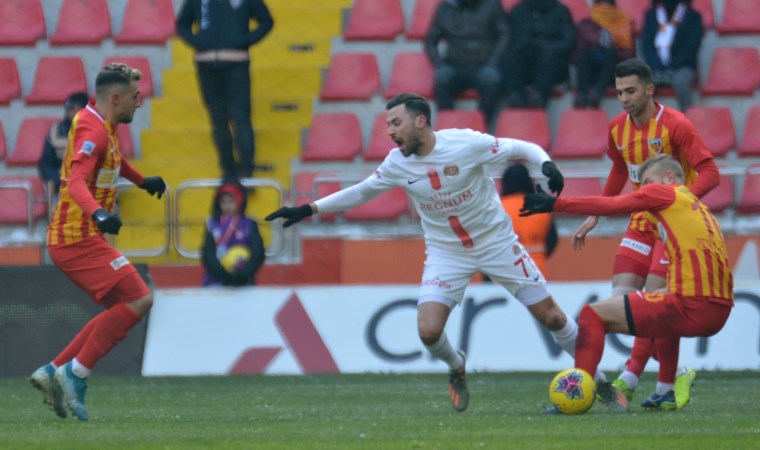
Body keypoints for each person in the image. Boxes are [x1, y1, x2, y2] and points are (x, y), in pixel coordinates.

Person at [267, 93, 585, 414]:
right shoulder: (396, 163)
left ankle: (597, 381)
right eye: (387, 124)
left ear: (420, 121)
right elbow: (362, 191)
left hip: (497, 243)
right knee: (429, 332)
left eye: (396, 122)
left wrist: (546, 164)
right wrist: (309, 208)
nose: (390, 131)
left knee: (554, 317)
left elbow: (520, 148)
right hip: (446, 253)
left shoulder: (465, 144)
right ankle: (456, 364)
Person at [522, 154, 733, 413]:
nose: (644, 190)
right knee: (661, 305)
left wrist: (556, 204)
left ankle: (576, 397)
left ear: (669, 178)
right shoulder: (700, 210)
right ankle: (665, 390)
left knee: (592, 315)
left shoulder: (666, 194)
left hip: (691, 303)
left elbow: (615, 204)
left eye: (647, 183)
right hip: (719, 309)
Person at [571, 58, 719, 410]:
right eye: (619, 91)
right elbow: (619, 170)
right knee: (621, 299)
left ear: (649, 90)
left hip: (671, 228)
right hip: (640, 221)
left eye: (631, 90)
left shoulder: (676, 124)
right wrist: (596, 213)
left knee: (655, 303)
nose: (623, 98)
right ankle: (671, 373)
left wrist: (681, 206)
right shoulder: (617, 128)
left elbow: (710, 172)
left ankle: (644, 377)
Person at [29, 63, 167, 421]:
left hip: (80, 237)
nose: (140, 102)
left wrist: (140, 181)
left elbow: (112, 162)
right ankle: (76, 372)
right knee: (141, 298)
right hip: (77, 238)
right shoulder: (95, 129)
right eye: (136, 96)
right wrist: (98, 214)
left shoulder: (102, 121)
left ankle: (52, 370)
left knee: (123, 307)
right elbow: (76, 181)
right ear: (117, 97)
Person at [176, 0, 274, 181]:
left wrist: (243, 40)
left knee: (241, 118)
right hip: (206, 64)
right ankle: (228, 171)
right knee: (218, 120)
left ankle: (246, 171)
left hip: (236, 64)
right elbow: (182, 24)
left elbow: (266, 21)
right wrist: (199, 42)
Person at [424, 0, 509, 130]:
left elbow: (504, 34)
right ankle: (448, 129)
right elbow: (430, 41)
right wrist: (439, 64)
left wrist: (493, 62)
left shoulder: (492, 4)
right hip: (454, 65)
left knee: (492, 78)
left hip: (484, 65)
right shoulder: (445, 9)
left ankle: (481, 128)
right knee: (442, 77)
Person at [503, 0, 576, 108]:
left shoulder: (561, 11)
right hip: (526, 67)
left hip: (553, 68)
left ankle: (539, 98)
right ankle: (516, 97)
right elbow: (511, 39)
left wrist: (546, 47)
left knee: (548, 55)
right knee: (513, 53)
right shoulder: (518, 11)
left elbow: (569, 41)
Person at [640, 0, 703, 112]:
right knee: (642, 84)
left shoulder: (693, 16)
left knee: (680, 82)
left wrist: (672, 65)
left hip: (682, 66)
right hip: (655, 67)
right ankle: (642, 124)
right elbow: (647, 45)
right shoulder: (651, 15)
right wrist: (658, 66)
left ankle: (686, 121)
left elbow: (691, 48)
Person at [201, 181, 265, 287]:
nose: (227, 206)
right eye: (223, 202)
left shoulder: (249, 224)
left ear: (239, 201)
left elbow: (258, 253)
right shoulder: (211, 224)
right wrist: (224, 275)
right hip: (216, 281)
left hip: (244, 281)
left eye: (231, 201)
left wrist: (243, 274)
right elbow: (208, 254)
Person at [574, 0, 635, 108]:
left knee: (610, 53)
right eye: (601, 5)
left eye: (607, 5)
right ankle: (582, 95)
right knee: (583, 54)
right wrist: (603, 40)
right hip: (590, 71)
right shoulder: (587, 23)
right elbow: (582, 45)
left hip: (613, 73)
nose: (605, 9)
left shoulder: (623, 21)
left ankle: (598, 93)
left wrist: (612, 45)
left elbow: (628, 54)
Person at [499, 163, 557, 275]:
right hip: (536, 268)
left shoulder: (498, 206)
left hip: (504, 269)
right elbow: (552, 241)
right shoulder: (541, 206)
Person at [38, 92, 89, 196]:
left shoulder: (99, 130)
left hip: (90, 188)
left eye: (78, 109)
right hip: (62, 188)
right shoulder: (55, 131)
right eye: (71, 109)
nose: (74, 113)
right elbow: (45, 165)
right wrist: (60, 180)